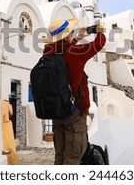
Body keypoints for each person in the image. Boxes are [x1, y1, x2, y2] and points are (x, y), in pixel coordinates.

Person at [43, 17, 106, 165]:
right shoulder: (74, 53)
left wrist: (77, 39)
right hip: (74, 112)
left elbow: (63, 50)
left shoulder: (47, 53)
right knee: (73, 157)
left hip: (57, 112)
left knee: (60, 155)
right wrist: (100, 32)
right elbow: (98, 45)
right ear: (67, 34)